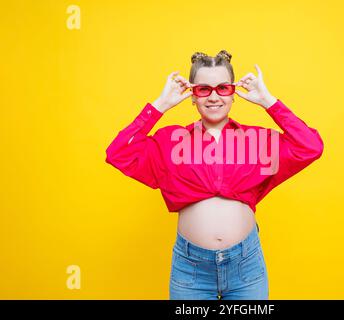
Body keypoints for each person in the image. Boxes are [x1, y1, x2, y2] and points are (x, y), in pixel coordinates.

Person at [105, 50, 324, 300]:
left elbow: (311, 147)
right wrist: (159, 106)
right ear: (192, 95)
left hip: (246, 267)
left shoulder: (259, 141)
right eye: (203, 89)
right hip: (191, 271)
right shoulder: (169, 142)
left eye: (223, 88)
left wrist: (269, 101)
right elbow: (118, 153)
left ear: (233, 93)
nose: (214, 97)